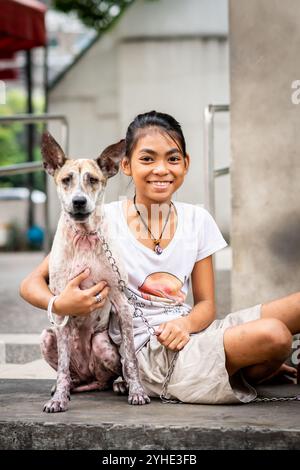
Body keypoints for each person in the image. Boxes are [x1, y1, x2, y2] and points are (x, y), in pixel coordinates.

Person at [20, 110, 298, 405]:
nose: (161, 169)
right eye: (148, 159)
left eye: (173, 158)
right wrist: (59, 304)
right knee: (275, 336)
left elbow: (206, 305)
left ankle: (245, 366)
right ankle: (247, 365)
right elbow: (31, 283)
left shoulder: (197, 218)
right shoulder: (101, 218)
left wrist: (185, 326)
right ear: (124, 165)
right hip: (149, 352)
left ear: (186, 164)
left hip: (190, 331)